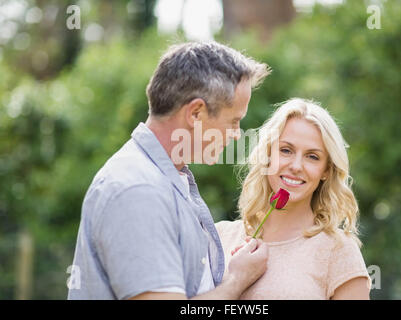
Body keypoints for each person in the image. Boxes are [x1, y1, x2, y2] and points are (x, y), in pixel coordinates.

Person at [68, 41, 271, 300]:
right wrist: (237, 281)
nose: (235, 134)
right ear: (196, 113)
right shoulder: (138, 190)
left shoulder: (169, 180)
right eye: (233, 121)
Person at [216, 98, 372, 300]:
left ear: (326, 170)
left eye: (312, 156)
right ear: (268, 155)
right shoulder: (218, 237)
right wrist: (237, 279)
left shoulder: (338, 250)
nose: (296, 166)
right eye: (286, 150)